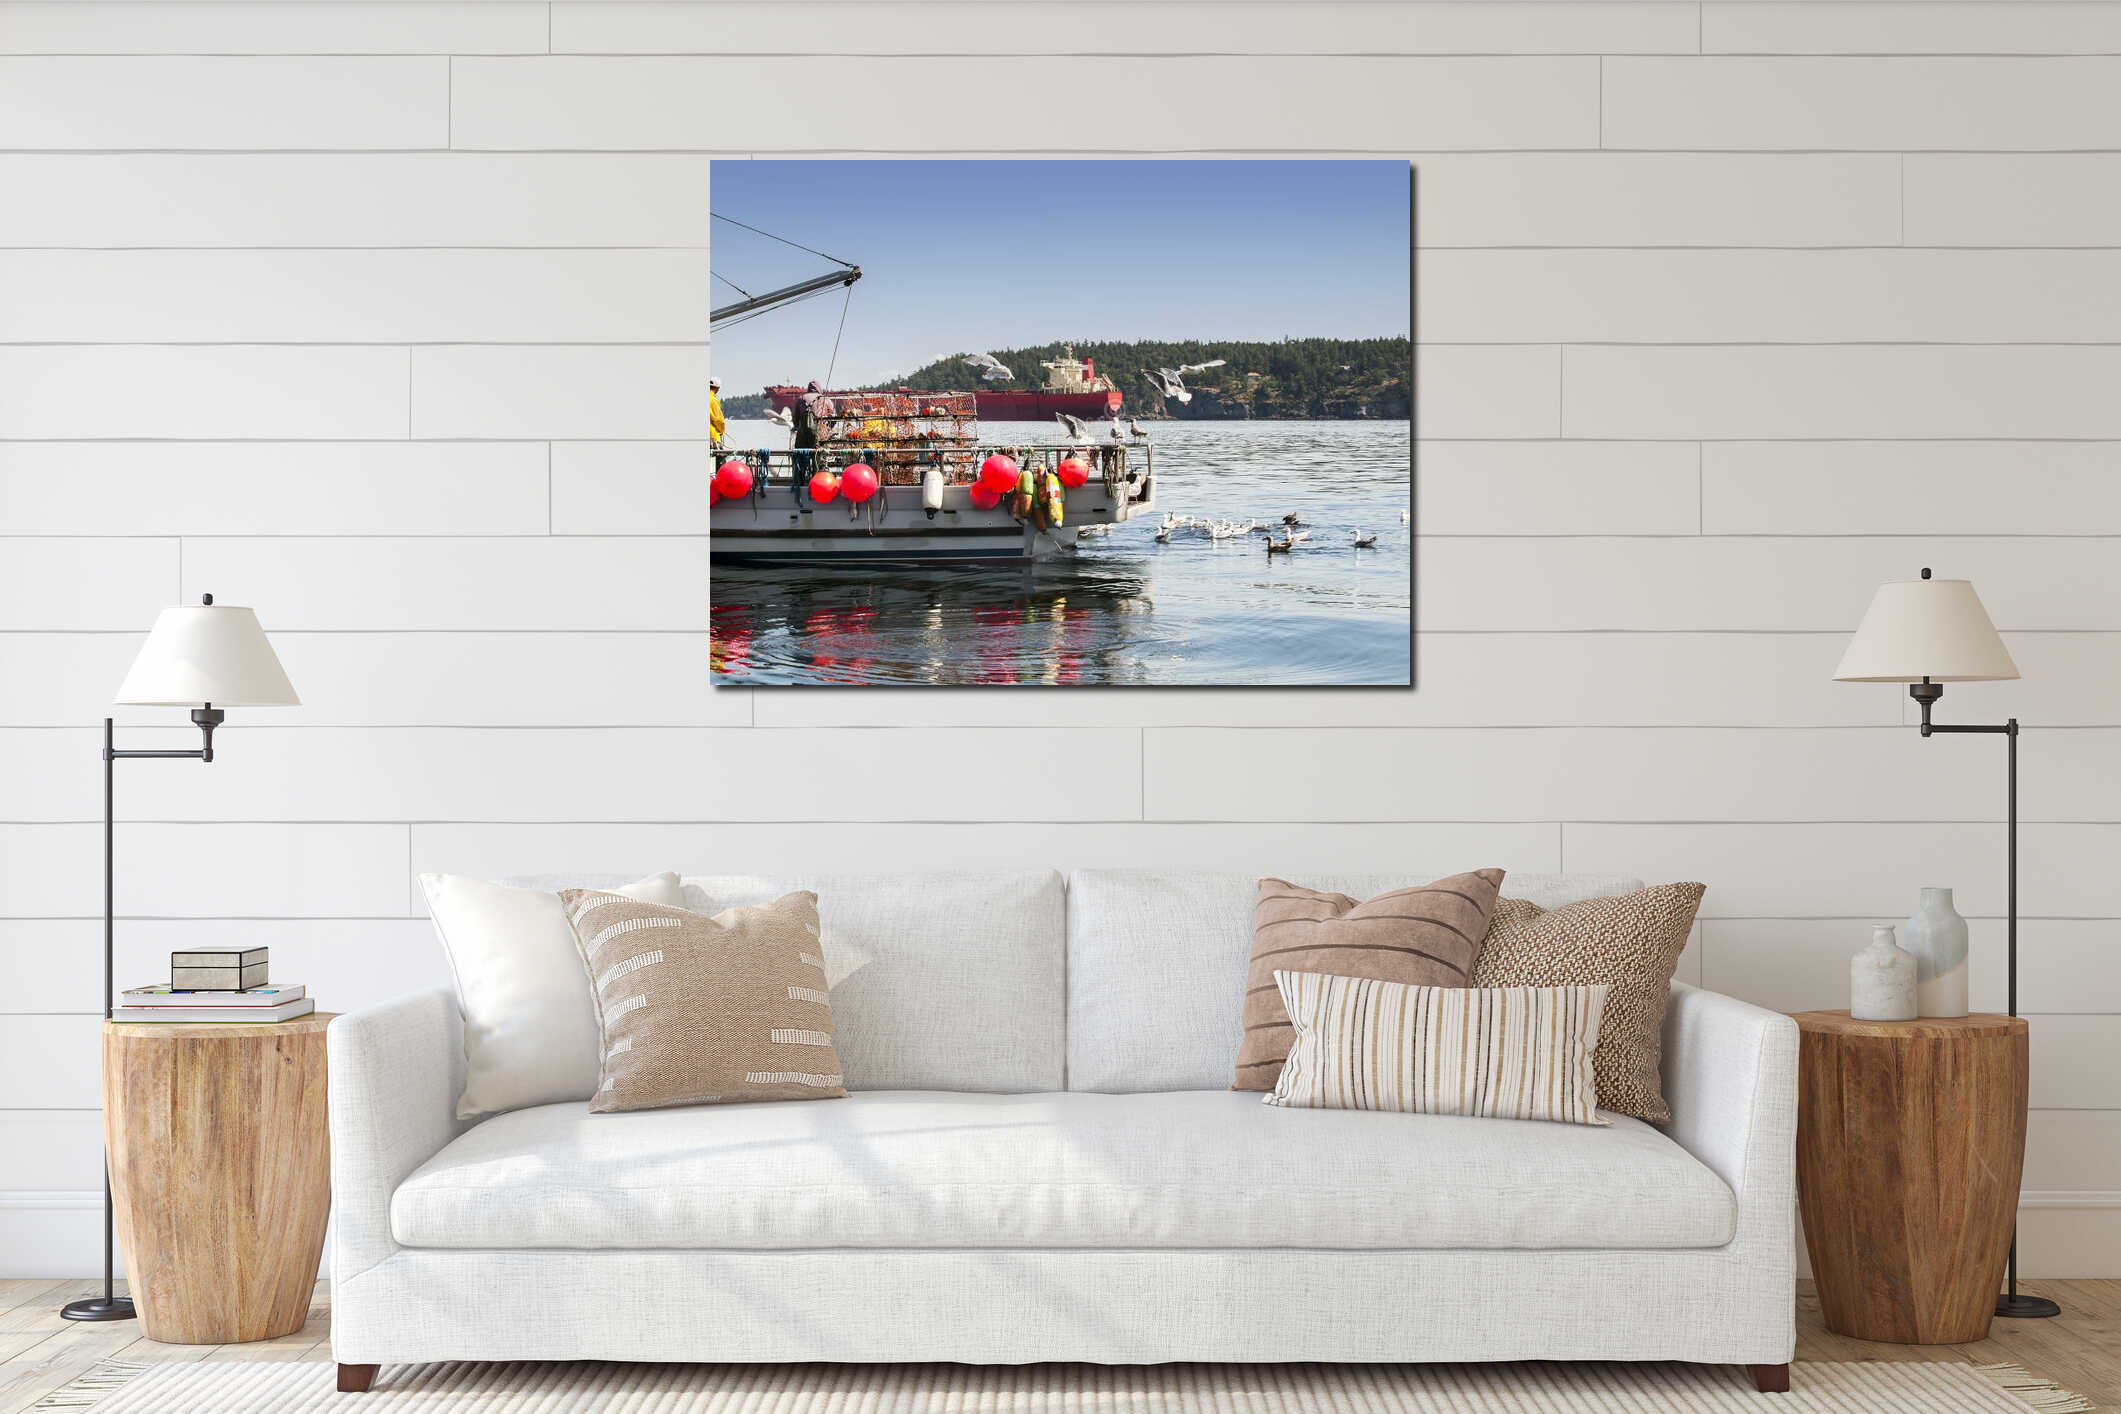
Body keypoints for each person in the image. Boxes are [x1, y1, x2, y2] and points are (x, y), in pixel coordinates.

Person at [793, 379, 828, 476]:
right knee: (817, 457)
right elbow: (832, 416)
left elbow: (795, 418)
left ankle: (800, 479)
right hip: (818, 435)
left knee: (800, 456)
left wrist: (798, 427)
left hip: (802, 435)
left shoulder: (800, 399)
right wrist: (826, 429)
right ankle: (816, 477)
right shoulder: (824, 399)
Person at [707, 377, 725, 451]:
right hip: (712, 436)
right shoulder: (713, 400)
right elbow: (718, 420)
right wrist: (722, 430)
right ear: (718, 388)